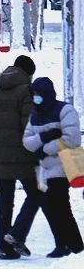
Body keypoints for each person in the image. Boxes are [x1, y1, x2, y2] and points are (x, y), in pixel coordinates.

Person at [0, 55, 41, 260]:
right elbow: (29, 125)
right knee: (36, 194)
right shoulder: (26, 92)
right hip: (23, 156)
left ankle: (5, 249)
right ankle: (16, 234)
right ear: (28, 73)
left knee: (5, 201)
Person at [22, 77, 84, 258]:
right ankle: (65, 243)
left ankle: (73, 245)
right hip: (43, 169)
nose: (35, 98)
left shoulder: (65, 110)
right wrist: (44, 138)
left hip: (62, 165)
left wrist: (46, 149)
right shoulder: (34, 115)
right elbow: (27, 141)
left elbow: (72, 139)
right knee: (49, 207)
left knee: (60, 205)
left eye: (38, 95)